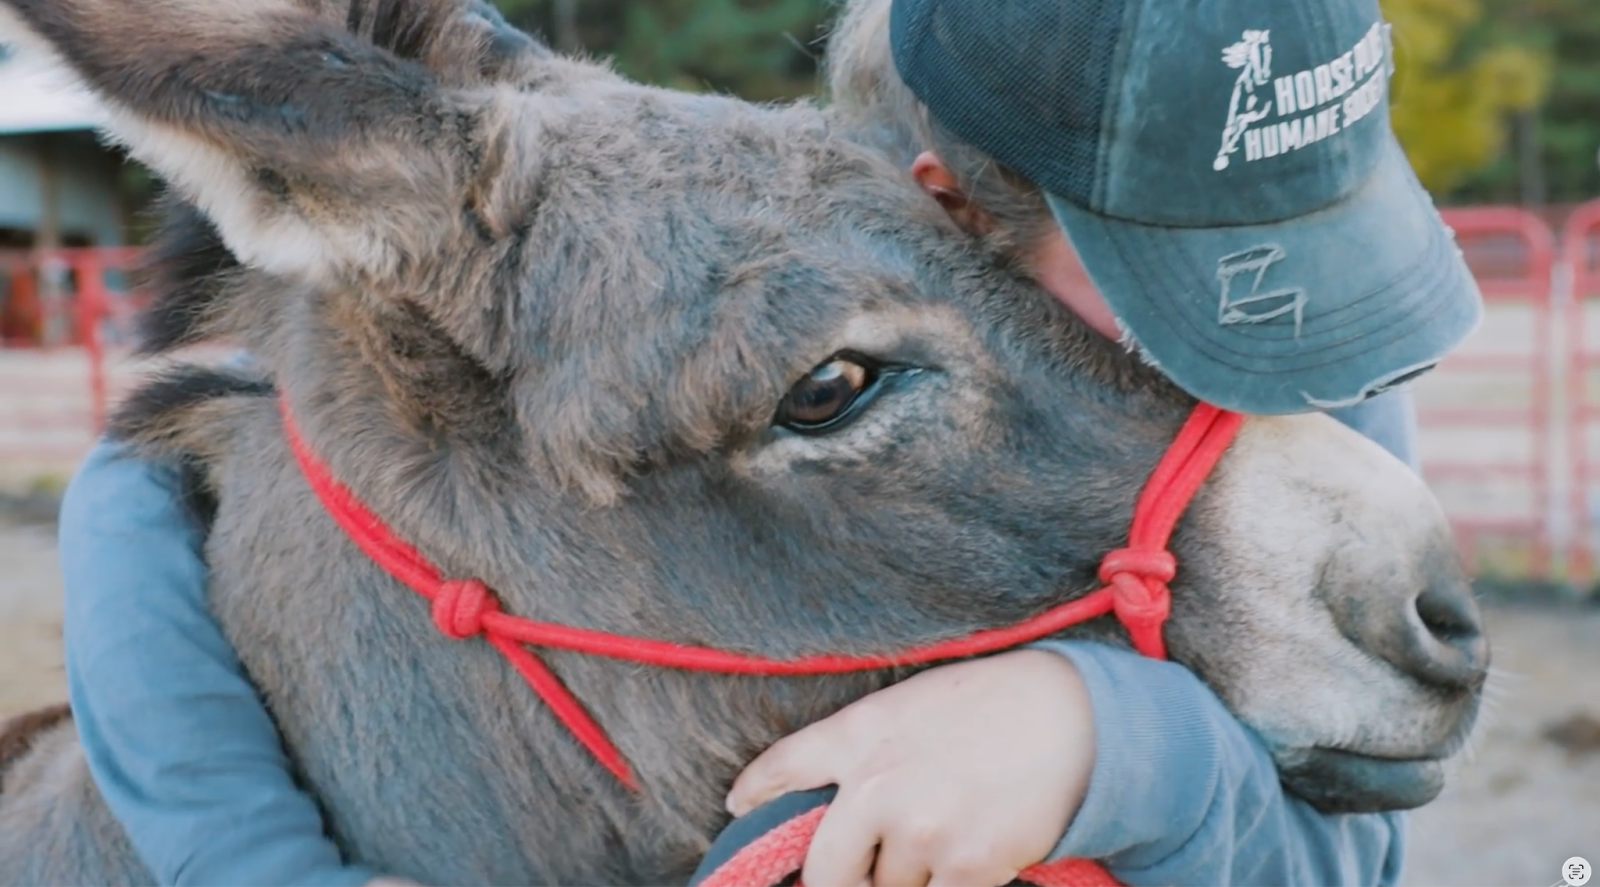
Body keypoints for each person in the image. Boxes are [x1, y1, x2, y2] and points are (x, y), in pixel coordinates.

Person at [56, 0, 1479, 886]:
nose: (1291, 346)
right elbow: (154, 467)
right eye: (1182, 281)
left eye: (1313, 259)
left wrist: (1111, 737)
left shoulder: (1302, 355)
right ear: (951, 204)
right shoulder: (798, 226)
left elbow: (1349, 849)